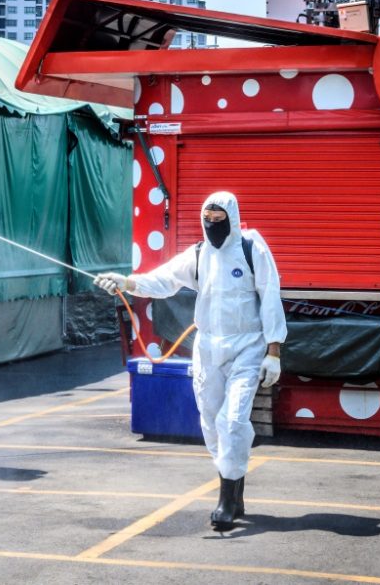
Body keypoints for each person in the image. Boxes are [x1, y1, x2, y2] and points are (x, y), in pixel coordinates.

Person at [95, 191, 287, 532]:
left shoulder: (251, 249)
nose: (212, 226)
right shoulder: (199, 255)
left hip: (247, 346)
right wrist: (124, 282)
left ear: (232, 217)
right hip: (208, 347)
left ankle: (226, 499)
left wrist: (273, 352)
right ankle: (234, 487)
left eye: (218, 220)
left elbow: (270, 295)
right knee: (211, 422)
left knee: (232, 420)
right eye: (207, 219)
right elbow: (162, 280)